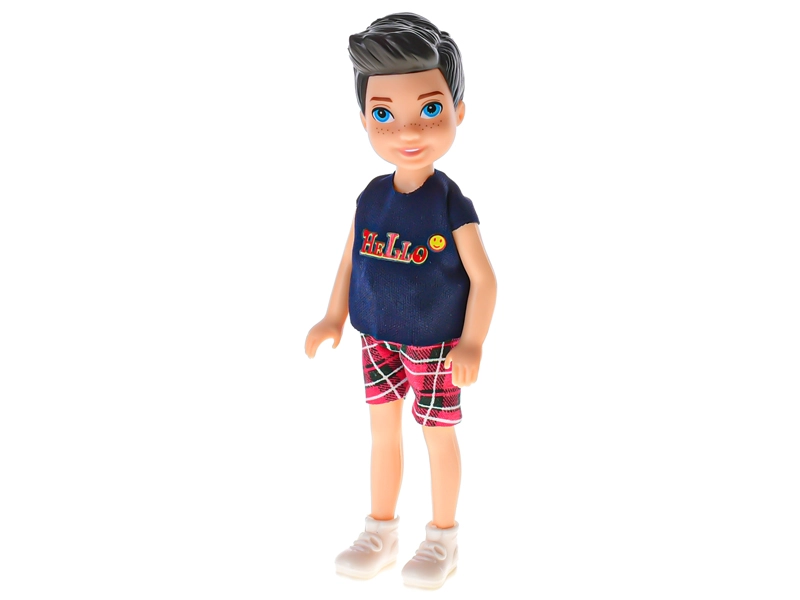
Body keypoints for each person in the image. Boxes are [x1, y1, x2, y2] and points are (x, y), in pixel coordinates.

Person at [304, 12, 496, 589]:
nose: (408, 131)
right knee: (382, 431)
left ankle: (442, 540)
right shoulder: (370, 196)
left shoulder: (450, 203)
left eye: (430, 110)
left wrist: (473, 342)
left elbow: (484, 279)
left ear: (458, 112)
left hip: (435, 343)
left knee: (437, 434)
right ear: (365, 119)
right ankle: (380, 532)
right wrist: (333, 315)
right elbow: (351, 259)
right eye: (385, 115)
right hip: (376, 336)